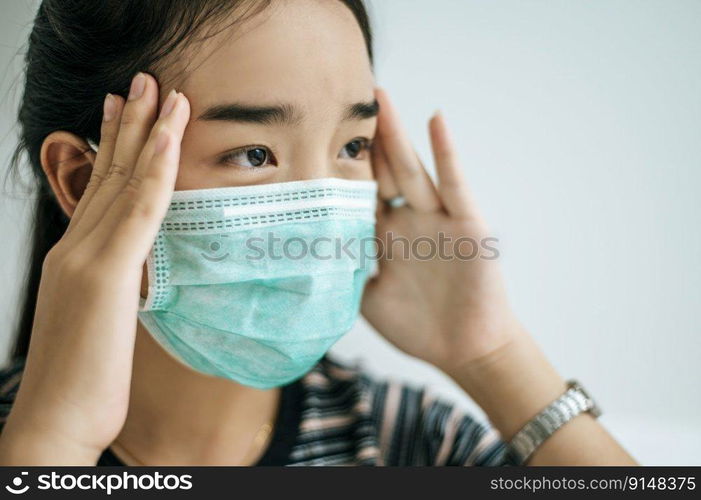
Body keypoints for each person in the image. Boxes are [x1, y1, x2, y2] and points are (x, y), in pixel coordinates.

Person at [0, 0, 637, 466]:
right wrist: (52, 446)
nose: (323, 217)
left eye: (353, 144)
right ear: (84, 181)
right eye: (255, 153)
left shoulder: (407, 441)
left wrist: (492, 357)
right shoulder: (22, 442)